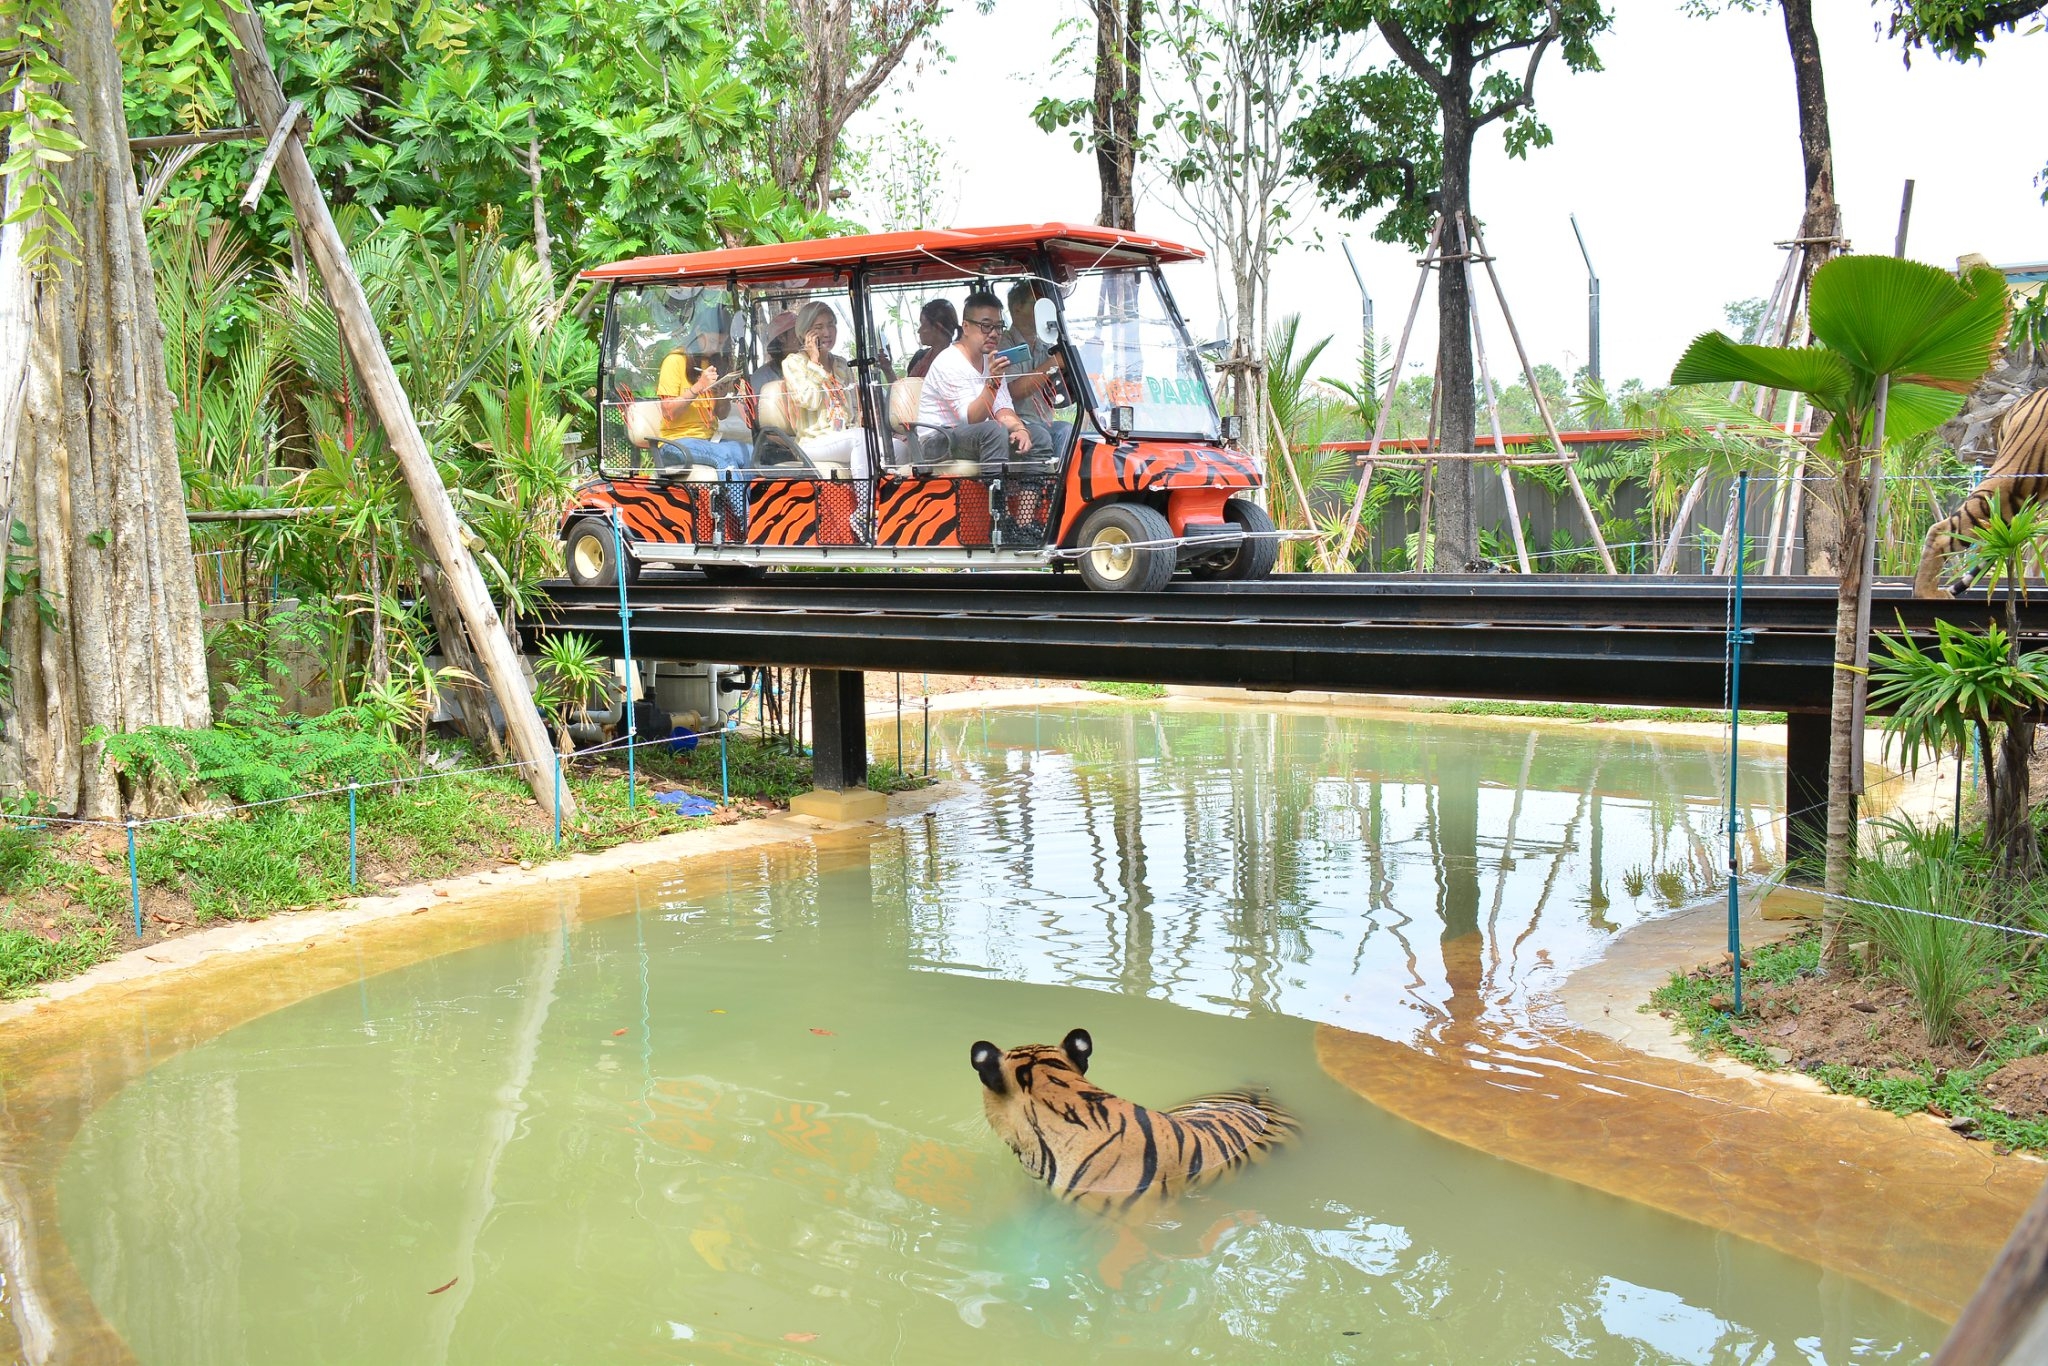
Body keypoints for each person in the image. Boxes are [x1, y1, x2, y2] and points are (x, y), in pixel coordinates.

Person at [913, 290, 1040, 465]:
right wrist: (994, 382)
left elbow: (1002, 408)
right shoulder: (949, 361)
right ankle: (994, 491)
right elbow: (971, 418)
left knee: (1039, 436)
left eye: (998, 327)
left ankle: (1031, 492)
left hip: (974, 435)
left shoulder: (991, 361)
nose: (994, 333)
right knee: (995, 431)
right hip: (937, 440)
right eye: (986, 326)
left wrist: (1020, 429)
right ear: (965, 327)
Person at [779, 300, 869, 477]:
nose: (827, 332)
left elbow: (853, 409)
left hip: (845, 436)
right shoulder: (794, 362)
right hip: (813, 442)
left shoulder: (841, 364)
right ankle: (866, 503)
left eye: (831, 325)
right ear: (805, 333)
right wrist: (814, 363)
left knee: (898, 448)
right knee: (861, 439)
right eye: (818, 327)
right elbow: (809, 401)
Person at [653, 315, 751, 475]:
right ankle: (732, 501)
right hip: (675, 442)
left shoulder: (710, 363)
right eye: (713, 342)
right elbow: (668, 412)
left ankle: (751, 500)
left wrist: (721, 396)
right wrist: (698, 387)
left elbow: (722, 415)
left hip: (709, 440)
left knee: (751, 454)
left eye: (720, 344)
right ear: (698, 332)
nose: (715, 348)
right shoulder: (675, 360)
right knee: (725, 459)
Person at [1000, 280, 1071, 457]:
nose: (1043, 311)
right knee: (1056, 433)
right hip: (1017, 423)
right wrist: (1053, 363)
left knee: (1070, 431)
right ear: (1017, 308)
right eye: (1037, 304)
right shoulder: (1005, 344)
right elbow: (1013, 391)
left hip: (1042, 421)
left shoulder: (1044, 345)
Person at [906, 298, 959, 379]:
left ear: (938, 327)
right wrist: (888, 370)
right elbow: (907, 389)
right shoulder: (920, 358)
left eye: (923, 324)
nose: (919, 331)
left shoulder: (959, 361)